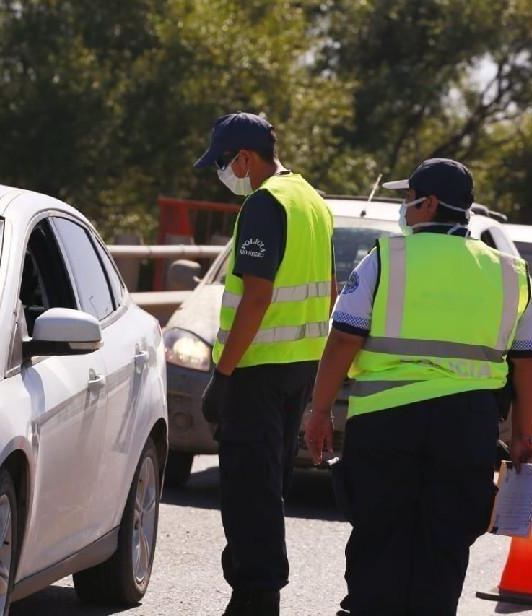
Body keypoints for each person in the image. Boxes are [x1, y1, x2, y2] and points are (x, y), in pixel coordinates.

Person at [305, 158, 532, 616]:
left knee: (379, 532)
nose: (404, 207)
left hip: (386, 421)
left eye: (408, 197)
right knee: (447, 539)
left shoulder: (385, 259)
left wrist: (319, 411)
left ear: (429, 203)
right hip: (468, 426)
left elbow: (344, 338)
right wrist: (522, 434)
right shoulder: (510, 272)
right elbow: (529, 361)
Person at [194, 112, 336, 616]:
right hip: (299, 366)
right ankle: (256, 591)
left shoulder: (264, 203)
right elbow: (330, 290)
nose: (223, 173)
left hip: (257, 370)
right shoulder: (311, 199)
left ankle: (257, 595)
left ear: (245, 158)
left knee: (248, 489)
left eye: (223, 163)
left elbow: (256, 296)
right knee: (269, 485)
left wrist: (223, 374)